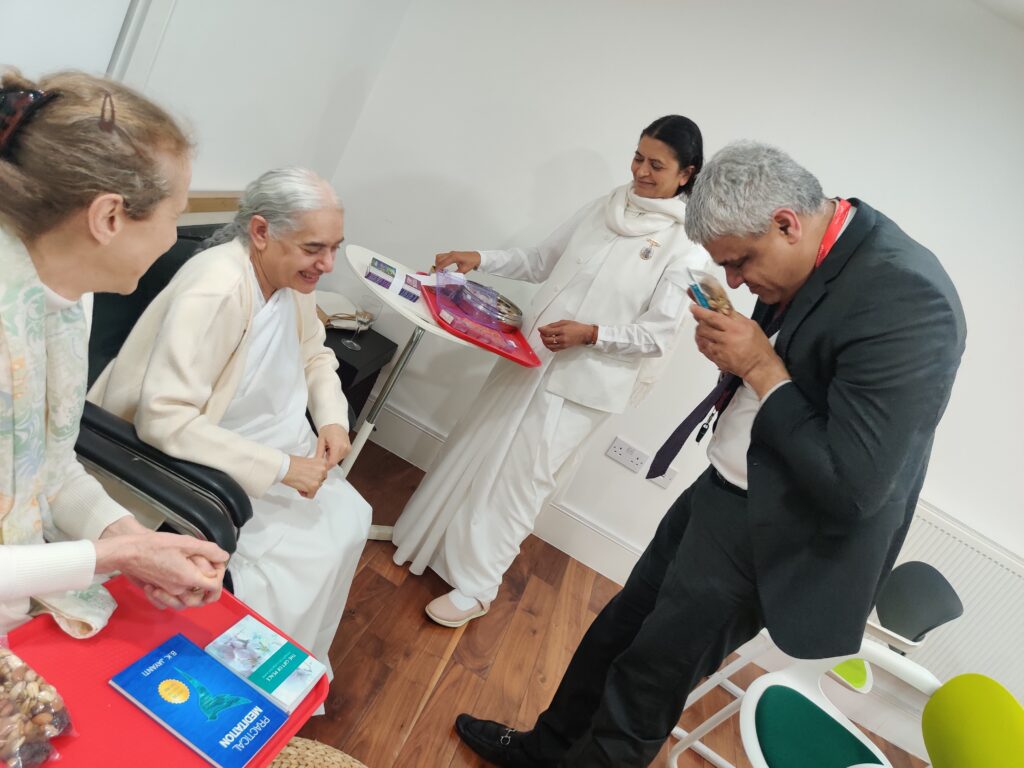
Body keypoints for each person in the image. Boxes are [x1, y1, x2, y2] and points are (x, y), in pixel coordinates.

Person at [454, 141, 967, 766]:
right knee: (617, 632)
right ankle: (546, 750)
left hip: (776, 525)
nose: (734, 282)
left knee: (647, 682)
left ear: (786, 223)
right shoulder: (822, 245)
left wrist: (757, 365)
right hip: (722, 485)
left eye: (740, 262)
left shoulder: (910, 301)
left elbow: (855, 483)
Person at [392, 115, 709, 627]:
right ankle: (423, 539)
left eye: (657, 165)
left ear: (686, 174)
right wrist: (481, 256)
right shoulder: (608, 206)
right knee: (478, 446)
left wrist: (592, 333)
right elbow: (541, 260)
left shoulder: (687, 250)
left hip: (583, 382)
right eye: (637, 157)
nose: (641, 171)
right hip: (532, 355)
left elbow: (659, 334)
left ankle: (477, 587)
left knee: (523, 481)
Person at [89, 168, 372, 672]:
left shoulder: (291, 280)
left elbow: (314, 353)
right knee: (298, 560)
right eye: (314, 248)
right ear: (261, 232)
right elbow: (163, 419)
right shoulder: (218, 289)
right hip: (209, 455)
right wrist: (283, 467)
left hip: (278, 441)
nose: (327, 265)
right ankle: (243, 677)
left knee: (353, 517)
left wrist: (332, 419)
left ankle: (298, 660)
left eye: (335, 248)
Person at [0, 70, 228, 637]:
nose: (176, 237)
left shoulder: (66, 301)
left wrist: (132, 538)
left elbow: (48, 469)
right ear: (108, 218)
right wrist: (116, 559)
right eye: (174, 215)